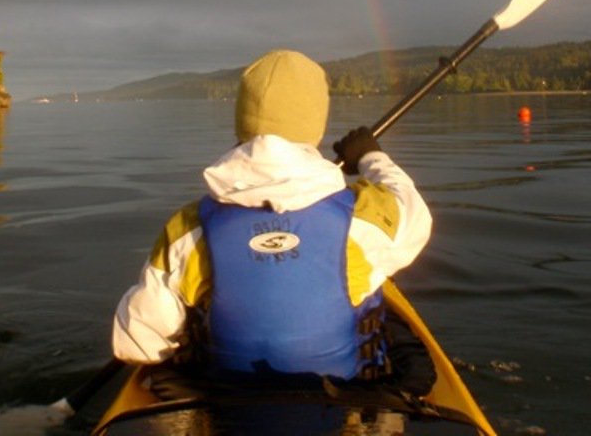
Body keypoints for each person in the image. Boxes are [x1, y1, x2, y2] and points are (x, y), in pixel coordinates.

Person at [111, 49, 432, 383]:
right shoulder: (364, 219)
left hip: (226, 409)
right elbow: (414, 212)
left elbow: (138, 344)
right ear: (315, 123)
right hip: (347, 408)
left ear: (242, 121)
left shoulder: (188, 229)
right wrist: (370, 156)